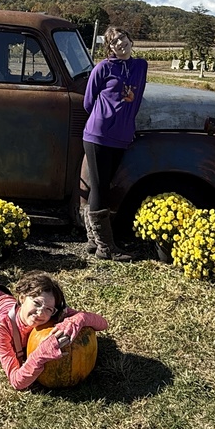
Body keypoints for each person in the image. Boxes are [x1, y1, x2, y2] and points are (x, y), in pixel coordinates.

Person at [82, 26, 148, 261]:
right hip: (99, 134)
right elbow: (88, 102)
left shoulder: (141, 66)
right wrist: (108, 117)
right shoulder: (103, 68)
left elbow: (136, 98)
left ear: (130, 38)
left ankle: (92, 240)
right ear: (109, 48)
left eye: (122, 38)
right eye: (113, 42)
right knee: (100, 187)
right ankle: (105, 247)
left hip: (122, 136)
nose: (120, 43)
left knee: (104, 184)